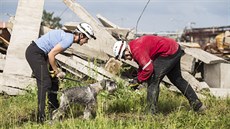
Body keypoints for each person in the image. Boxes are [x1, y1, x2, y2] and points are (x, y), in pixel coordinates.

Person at [113, 35, 205, 115]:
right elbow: (143, 66)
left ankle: (151, 112)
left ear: (125, 49)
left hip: (168, 52)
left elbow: (148, 69)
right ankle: (197, 105)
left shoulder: (137, 50)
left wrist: (138, 80)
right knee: (177, 79)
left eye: (124, 56)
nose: (126, 59)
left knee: (153, 80)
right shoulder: (134, 46)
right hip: (174, 48)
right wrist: (138, 79)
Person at [25, 22, 96, 123]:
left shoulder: (69, 37)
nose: (86, 42)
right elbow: (51, 55)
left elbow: (49, 53)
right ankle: (40, 118)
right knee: (45, 83)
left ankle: (54, 111)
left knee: (53, 82)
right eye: (87, 39)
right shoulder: (68, 39)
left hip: (41, 54)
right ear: (81, 35)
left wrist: (54, 71)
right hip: (35, 53)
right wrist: (57, 71)